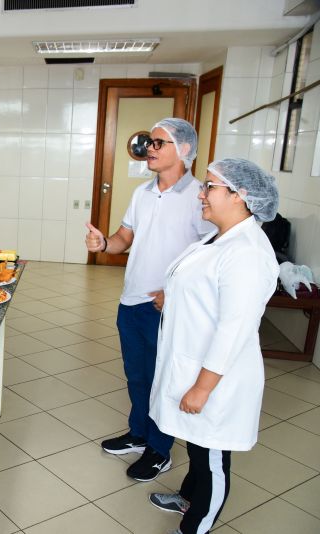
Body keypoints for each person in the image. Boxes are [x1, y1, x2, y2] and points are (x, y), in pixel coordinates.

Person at [147, 159, 279, 534]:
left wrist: (203, 387)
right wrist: (171, 298)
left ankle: (196, 526)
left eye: (210, 187)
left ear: (241, 196)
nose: (201, 194)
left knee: (213, 456)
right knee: (197, 446)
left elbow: (234, 328)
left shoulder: (248, 253)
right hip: (192, 362)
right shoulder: (220, 236)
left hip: (217, 378)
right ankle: (190, 498)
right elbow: (207, 289)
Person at [85, 118, 215, 482]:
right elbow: (125, 236)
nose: (150, 149)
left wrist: (174, 291)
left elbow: (208, 253)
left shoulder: (199, 196)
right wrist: (104, 244)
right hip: (131, 299)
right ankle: (139, 432)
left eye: (159, 143)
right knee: (136, 375)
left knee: (164, 379)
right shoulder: (142, 192)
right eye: (150, 142)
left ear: (184, 151)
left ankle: (160, 450)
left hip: (168, 307)